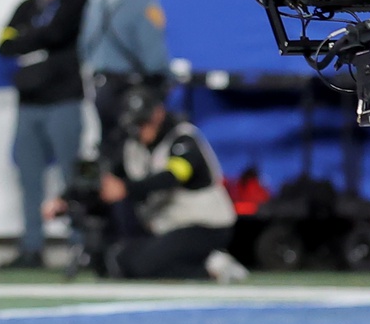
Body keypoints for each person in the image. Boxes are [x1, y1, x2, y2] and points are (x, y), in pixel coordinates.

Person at [45, 85, 246, 281]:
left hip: (205, 225)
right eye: (135, 123)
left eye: (144, 122)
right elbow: (96, 167)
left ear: (158, 113)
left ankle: (213, 268)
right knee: (120, 261)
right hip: (166, 228)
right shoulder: (131, 143)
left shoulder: (183, 140)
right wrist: (64, 197)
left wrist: (126, 188)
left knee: (145, 265)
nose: (140, 129)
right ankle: (205, 263)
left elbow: (171, 177)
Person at [0, 0, 88, 269]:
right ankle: (31, 245)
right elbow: (5, 42)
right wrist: (38, 37)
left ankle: (81, 244)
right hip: (29, 101)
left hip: (63, 99)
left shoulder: (78, 1)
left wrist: (31, 38)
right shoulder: (29, 4)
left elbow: (59, 33)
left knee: (71, 174)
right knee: (29, 177)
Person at [80, 0, 170, 165]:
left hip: (101, 89)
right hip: (131, 93)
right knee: (133, 160)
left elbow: (85, 47)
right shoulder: (142, 3)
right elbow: (154, 59)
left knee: (107, 153)